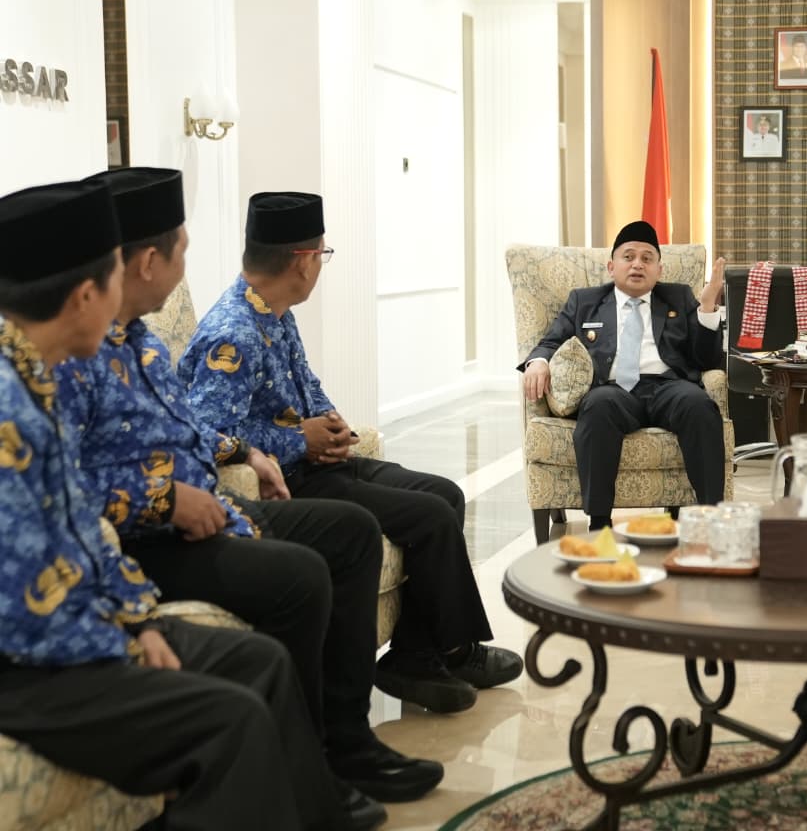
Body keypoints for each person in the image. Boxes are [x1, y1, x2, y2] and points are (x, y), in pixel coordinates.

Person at [56, 167, 441, 808]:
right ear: (149, 261)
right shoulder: (73, 357)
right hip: (151, 535)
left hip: (208, 503)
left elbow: (191, 427)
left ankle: (347, 740)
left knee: (351, 533)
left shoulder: (138, 340)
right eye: (182, 248)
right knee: (302, 573)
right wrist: (168, 497)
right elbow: (65, 486)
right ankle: (308, 767)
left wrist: (246, 452)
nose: (189, 266)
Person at [0, 178, 362, 831]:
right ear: (86, 296)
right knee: (232, 720)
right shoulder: (12, 409)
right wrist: (123, 641)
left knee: (261, 660)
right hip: (34, 661)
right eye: (112, 275)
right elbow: (28, 604)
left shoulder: (37, 377)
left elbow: (81, 530)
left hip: (93, 613)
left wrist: (139, 617)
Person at [176, 192, 522, 715]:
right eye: (323, 254)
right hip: (294, 480)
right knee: (429, 515)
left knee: (444, 494)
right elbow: (209, 432)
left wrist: (332, 423)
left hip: (321, 463)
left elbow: (306, 385)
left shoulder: (274, 312)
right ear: (303, 261)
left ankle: (418, 651)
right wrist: (301, 439)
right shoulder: (234, 331)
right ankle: (448, 651)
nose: (321, 265)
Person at [520, 220, 727, 531]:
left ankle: (712, 519)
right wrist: (538, 362)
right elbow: (551, 341)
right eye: (628, 257)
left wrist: (708, 308)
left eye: (647, 258)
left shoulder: (680, 297)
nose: (637, 264)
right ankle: (599, 522)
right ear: (611, 266)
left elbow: (706, 358)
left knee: (700, 406)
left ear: (659, 270)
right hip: (612, 389)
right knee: (598, 406)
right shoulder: (584, 301)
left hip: (669, 387)